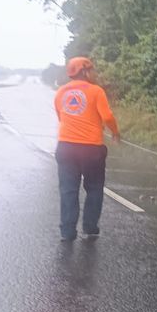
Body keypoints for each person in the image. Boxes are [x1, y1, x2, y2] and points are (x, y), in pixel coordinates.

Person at [54, 57, 120, 241]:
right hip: (91, 150)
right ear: (84, 71)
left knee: (68, 189)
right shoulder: (96, 91)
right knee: (94, 188)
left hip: (66, 147)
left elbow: (61, 116)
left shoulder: (60, 92)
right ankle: (90, 227)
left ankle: (67, 232)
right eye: (91, 70)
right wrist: (115, 132)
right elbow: (107, 116)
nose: (94, 73)